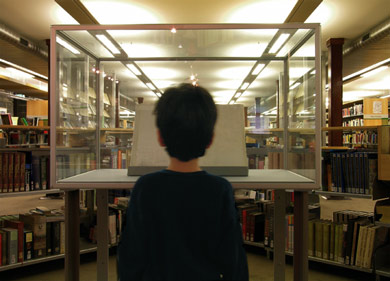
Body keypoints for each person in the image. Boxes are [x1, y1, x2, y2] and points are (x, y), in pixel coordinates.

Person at [117, 83, 249, 281]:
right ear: (210, 140)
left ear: (160, 138)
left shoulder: (146, 187)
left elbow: (131, 256)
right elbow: (233, 258)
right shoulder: (220, 189)